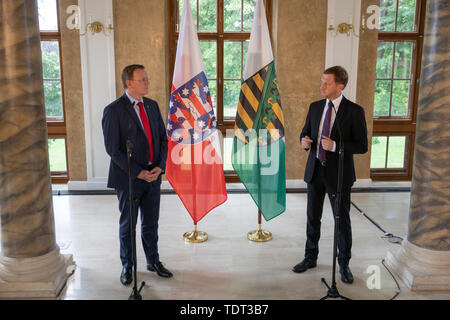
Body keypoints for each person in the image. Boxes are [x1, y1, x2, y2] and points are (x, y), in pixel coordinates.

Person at [293, 66, 368, 284]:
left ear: (339, 86)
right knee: (312, 218)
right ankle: (310, 257)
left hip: (339, 175)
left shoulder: (355, 111)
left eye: (327, 83)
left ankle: (343, 264)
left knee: (341, 221)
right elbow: (305, 132)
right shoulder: (315, 107)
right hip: (315, 171)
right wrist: (304, 141)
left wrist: (336, 146)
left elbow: (362, 145)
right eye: (322, 81)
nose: (321, 86)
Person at [102, 64, 172, 286]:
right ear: (129, 83)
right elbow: (113, 150)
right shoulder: (113, 110)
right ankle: (128, 266)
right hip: (130, 179)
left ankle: (153, 261)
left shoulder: (151, 106)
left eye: (147, 79)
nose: (147, 82)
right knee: (128, 224)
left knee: (151, 223)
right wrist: (139, 172)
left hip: (153, 176)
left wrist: (160, 167)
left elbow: (163, 138)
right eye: (143, 80)